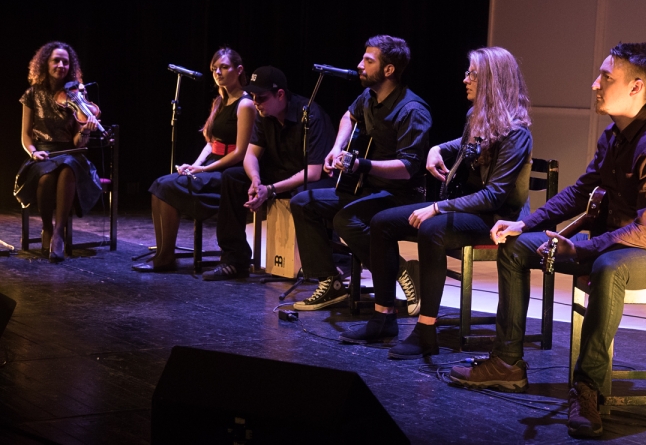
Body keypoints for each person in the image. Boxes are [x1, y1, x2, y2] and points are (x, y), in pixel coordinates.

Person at [449, 43, 646, 439]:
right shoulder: (615, 136)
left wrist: (579, 248)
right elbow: (580, 192)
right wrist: (523, 225)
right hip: (616, 245)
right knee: (515, 248)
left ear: (636, 88)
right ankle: (508, 362)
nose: (594, 84)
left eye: (606, 78)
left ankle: (588, 387)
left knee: (608, 267)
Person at [339, 47, 533, 359]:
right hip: (471, 209)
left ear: (492, 81)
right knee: (382, 222)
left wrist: (437, 207)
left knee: (432, 229)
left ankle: (426, 331)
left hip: (497, 219)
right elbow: (466, 144)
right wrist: (439, 148)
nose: (465, 79)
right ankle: (383, 316)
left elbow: (495, 195)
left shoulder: (517, 131)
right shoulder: (477, 116)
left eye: (472, 74)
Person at [290, 35, 432, 312]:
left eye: (369, 60)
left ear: (389, 70)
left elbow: (406, 169)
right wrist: (336, 147)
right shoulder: (368, 96)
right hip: (365, 190)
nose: (359, 65)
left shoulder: (413, 110)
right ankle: (330, 283)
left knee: (347, 220)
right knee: (303, 202)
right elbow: (348, 116)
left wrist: (361, 165)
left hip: (401, 197)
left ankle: (398, 269)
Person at [202, 66, 336, 281]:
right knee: (233, 178)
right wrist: (256, 181)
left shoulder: (310, 115)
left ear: (280, 95)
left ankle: (315, 264)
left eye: (261, 98)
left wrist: (271, 189)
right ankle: (234, 259)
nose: (255, 102)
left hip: (314, 179)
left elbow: (313, 172)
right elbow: (250, 155)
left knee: (303, 193)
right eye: (253, 97)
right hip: (281, 172)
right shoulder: (264, 114)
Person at [132, 48, 255, 272]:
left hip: (231, 172)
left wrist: (203, 170)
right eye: (214, 69)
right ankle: (164, 254)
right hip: (212, 166)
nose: (218, 72)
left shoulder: (245, 104)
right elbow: (210, 142)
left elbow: (240, 152)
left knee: (168, 187)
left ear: (239, 71)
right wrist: (196, 165)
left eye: (224, 67)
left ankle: (165, 258)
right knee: (159, 184)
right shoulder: (220, 101)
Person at [14, 41, 103, 263]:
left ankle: (58, 234)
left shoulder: (76, 95)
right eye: (56, 60)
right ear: (46, 63)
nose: (61, 65)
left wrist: (85, 130)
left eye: (65, 61)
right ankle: (46, 227)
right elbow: (25, 134)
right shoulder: (32, 94)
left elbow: (78, 144)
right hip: (43, 154)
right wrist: (33, 152)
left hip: (71, 153)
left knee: (68, 167)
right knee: (45, 178)